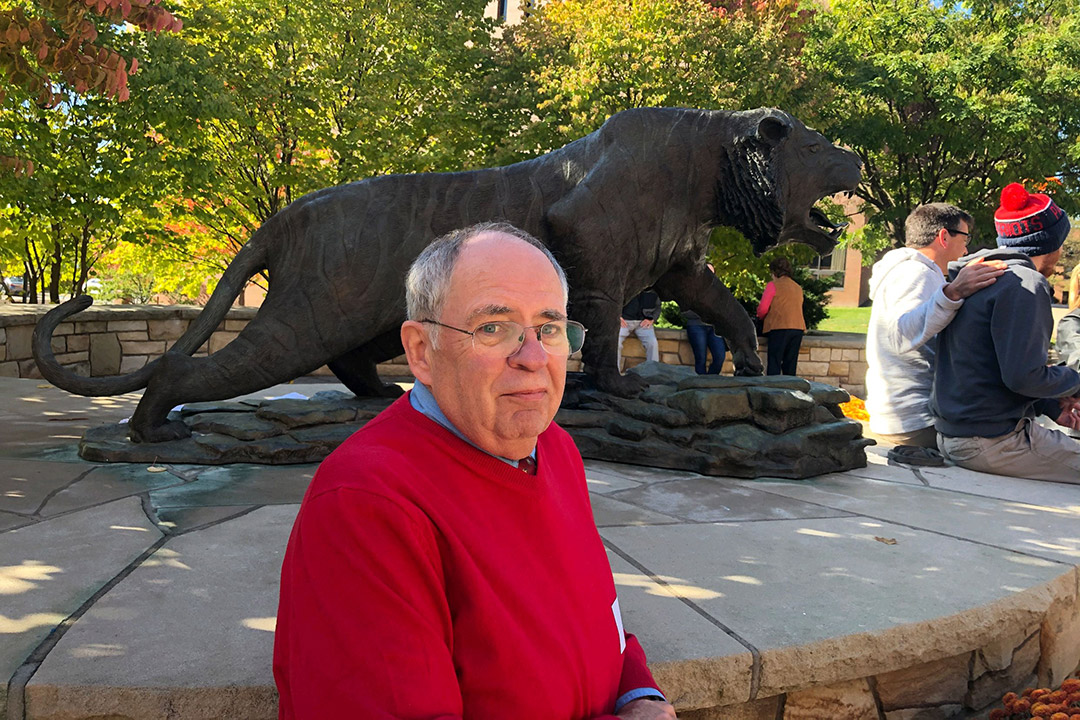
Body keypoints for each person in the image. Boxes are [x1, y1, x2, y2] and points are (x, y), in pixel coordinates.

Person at [273, 222, 676, 719]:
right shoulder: (366, 502)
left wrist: (641, 694)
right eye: (493, 327)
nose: (533, 357)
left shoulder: (555, 448)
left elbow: (596, 615)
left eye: (549, 328)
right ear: (421, 351)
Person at [931, 183, 1080, 484]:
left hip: (955, 435)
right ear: (1049, 242)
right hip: (991, 443)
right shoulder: (1025, 285)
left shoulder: (980, 277)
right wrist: (1075, 380)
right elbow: (1024, 377)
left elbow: (990, 367)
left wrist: (1052, 404)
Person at [865, 203, 1006, 448]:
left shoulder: (909, 271)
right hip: (915, 424)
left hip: (903, 419)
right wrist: (953, 292)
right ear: (943, 236)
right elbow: (900, 336)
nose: (966, 247)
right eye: (964, 237)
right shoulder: (915, 272)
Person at [756, 257, 805, 375]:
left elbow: (763, 309)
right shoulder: (797, 287)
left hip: (779, 327)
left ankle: (773, 391)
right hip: (798, 327)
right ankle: (790, 390)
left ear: (774, 271)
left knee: (774, 363)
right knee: (790, 365)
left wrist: (760, 318)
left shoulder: (773, 285)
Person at [681, 263, 727, 375]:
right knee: (700, 359)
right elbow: (685, 310)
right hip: (696, 326)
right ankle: (700, 386)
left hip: (714, 327)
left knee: (720, 356)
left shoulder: (718, 290)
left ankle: (710, 381)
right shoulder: (689, 288)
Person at [618, 289, 661, 371]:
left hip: (643, 323)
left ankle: (652, 372)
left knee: (652, 343)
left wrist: (652, 320)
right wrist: (618, 317)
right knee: (616, 343)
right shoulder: (624, 285)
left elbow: (658, 307)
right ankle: (615, 371)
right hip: (624, 322)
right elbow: (613, 302)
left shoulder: (652, 289)